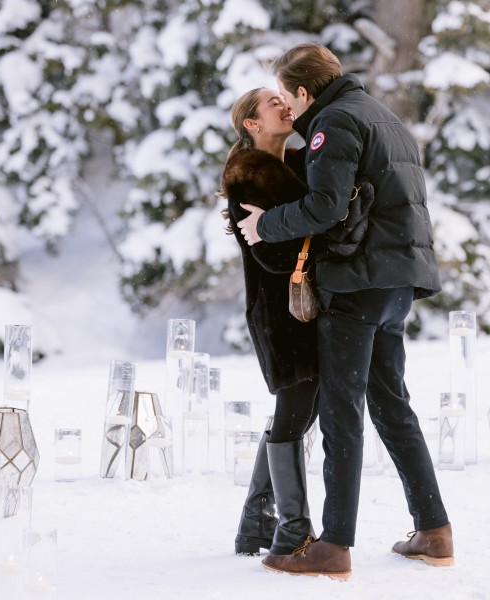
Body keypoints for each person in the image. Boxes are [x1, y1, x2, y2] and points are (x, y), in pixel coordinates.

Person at [237, 43, 454, 580]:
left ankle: (333, 546)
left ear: (304, 90)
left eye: (286, 94)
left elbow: (326, 207)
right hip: (398, 281)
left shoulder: (332, 122)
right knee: (391, 405)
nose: (287, 105)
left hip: (357, 284)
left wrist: (266, 224)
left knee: (341, 412)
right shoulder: (384, 116)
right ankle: (434, 531)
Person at [220, 87, 319, 557]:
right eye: (271, 103)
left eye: (284, 98)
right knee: (295, 412)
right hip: (279, 315)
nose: (284, 104)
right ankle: (290, 529)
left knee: (302, 411)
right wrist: (314, 226)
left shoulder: (300, 164)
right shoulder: (247, 178)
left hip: (306, 308)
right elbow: (275, 258)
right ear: (252, 124)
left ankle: (256, 521)